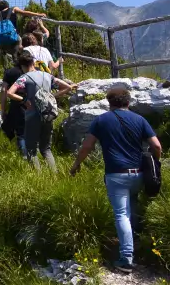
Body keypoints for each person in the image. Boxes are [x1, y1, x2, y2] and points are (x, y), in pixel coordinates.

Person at [69, 87, 163, 273]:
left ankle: (126, 258)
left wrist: (76, 164)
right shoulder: (139, 119)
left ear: (109, 103)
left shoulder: (101, 120)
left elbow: (87, 145)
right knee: (133, 209)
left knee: (122, 214)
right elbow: (156, 146)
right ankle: (141, 248)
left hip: (116, 175)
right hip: (138, 174)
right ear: (128, 102)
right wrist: (155, 163)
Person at [6, 51, 75, 172]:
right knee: (46, 149)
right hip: (48, 115)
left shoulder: (24, 78)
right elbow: (68, 87)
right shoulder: (47, 75)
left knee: (31, 149)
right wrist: (53, 96)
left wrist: (24, 99)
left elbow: (9, 93)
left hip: (32, 116)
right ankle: (54, 176)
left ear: (22, 66)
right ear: (33, 62)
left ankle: (38, 177)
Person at [1, 63, 27, 155]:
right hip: (33, 105)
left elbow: (4, 91)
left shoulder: (10, 72)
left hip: (17, 106)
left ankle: (24, 158)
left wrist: (3, 110)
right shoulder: (36, 71)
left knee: (21, 134)